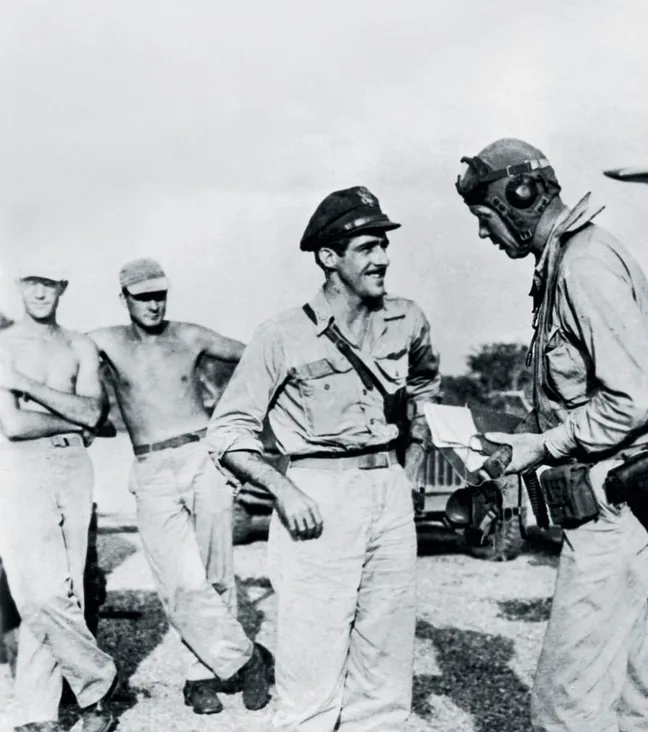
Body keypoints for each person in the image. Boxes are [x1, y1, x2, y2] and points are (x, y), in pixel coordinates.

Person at [455, 138, 648, 732]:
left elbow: (641, 394)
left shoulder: (583, 263)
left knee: (565, 704)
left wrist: (548, 444)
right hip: (611, 496)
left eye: (484, 219)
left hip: (611, 504)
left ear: (517, 200)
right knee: (631, 699)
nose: (484, 235)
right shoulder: (569, 260)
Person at [207, 185, 441, 732]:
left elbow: (425, 387)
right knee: (311, 661)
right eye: (366, 247)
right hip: (316, 494)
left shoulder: (407, 319)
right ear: (328, 258)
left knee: (385, 658)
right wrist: (283, 491)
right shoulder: (281, 334)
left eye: (384, 244)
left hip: (388, 490)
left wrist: (410, 464)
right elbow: (228, 432)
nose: (382, 258)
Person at [87, 257, 271, 716]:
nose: (153, 304)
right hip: (150, 466)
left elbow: (258, 356)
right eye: (143, 296)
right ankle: (250, 659)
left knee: (215, 571)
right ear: (125, 298)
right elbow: (56, 354)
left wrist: (237, 417)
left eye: (159, 295)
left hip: (202, 455)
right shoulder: (103, 341)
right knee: (178, 580)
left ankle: (200, 677)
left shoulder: (189, 334)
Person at [0, 261, 120, 732]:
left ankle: (39, 713)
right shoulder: (3, 344)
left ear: (62, 287)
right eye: (31, 281)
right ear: (19, 285)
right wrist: (80, 419)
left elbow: (96, 409)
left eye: (48, 282)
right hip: (19, 467)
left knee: (65, 587)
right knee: (37, 589)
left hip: (72, 466)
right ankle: (97, 684)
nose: (39, 290)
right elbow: (13, 426)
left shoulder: (79, 344)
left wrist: (28, 386)